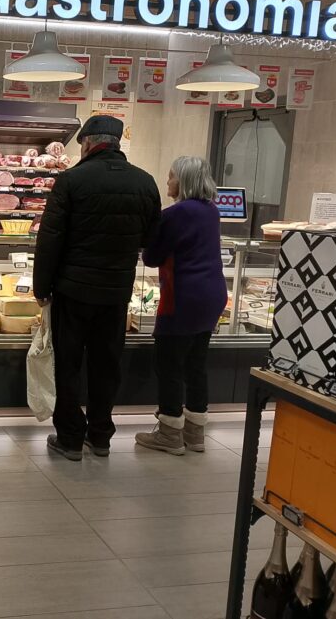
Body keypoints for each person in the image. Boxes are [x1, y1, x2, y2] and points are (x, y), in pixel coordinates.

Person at [34, 115, 161, 462]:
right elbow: (151, 238)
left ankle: (70, 438)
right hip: (116, 292)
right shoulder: (145, 182)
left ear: (88, 143)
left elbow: (50, 239)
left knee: (69, 365)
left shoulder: (71, 180)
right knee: (107, 365)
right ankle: (101, 436)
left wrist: (41, 287)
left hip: (73, 291)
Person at [135, 156, 227, 455]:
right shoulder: (212, 210)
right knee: (196, 365)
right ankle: (195, 434)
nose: (168, 181)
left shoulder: (175, 214)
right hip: (213, 295)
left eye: (172, 176)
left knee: (169, 365)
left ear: (184, 180)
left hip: (183, 296)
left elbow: (151, 258)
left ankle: (169, 433)